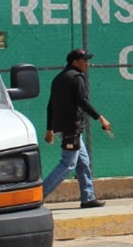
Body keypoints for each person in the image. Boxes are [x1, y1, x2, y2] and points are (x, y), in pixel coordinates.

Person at [43, 48, 112, 208]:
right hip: (71, 128)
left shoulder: (58, 78)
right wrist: (101, 118)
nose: (87, 63)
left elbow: (50, 105)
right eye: (84, 60)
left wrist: (49, 129)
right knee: (68, 164)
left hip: (62, 128)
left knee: (83, 162)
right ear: (75, 62)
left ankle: (88, 198)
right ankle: (39, 194)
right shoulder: (76, 78)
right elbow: (83, 101)